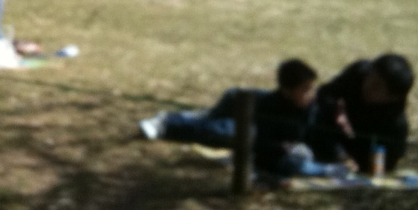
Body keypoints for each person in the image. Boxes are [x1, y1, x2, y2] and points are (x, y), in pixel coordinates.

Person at [138, 59, 340, 176]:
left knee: (214, 123)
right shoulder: (270, 107)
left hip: (246, 107)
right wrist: (284, 147)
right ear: (286, 90)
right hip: (239, 110)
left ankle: (195, 117)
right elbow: (263, 143)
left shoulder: (313, 105)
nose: (311, 93)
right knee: (225, 131)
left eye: (312, 88)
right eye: (305, 90)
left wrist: (338, 154)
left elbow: (320, 132)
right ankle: (166, 123)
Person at [311, 54, 415, 174]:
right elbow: (324, 94)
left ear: (392, 98)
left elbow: (390, 160)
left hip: (360, 148)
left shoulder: (396, 121)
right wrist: (335, 110)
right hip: (332, 132)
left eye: (377, 87)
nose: (368, 86)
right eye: (371, 77)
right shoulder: (359, 72)